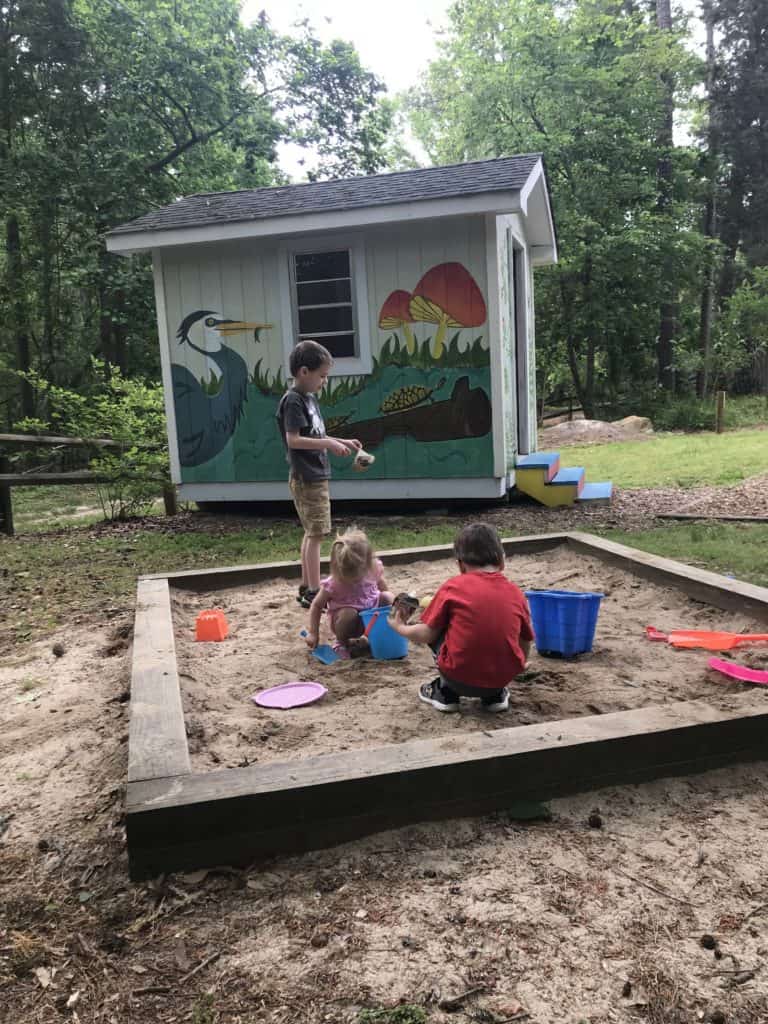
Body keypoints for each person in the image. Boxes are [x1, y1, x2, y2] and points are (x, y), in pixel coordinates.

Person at [390, 522, 532, 712]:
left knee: (440, 626)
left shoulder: (453, 588)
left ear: (460, 564)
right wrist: (520, 664)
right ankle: (494, 697)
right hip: (501, 678)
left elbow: (426, 634)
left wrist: (400, 627)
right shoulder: (516, 593)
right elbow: (525, 639)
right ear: (502, 561)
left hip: (458, 678)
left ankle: (446, 693)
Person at [276, 340, 361, 608]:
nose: (324, 381)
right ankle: (314, 590)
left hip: (315, 474)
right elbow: (294, 440)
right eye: (321, 376)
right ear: (304, 372)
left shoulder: (309, 399)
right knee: (317, 534)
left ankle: (305, 586)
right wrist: (328, 444)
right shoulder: (293, 401)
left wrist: (342, 441)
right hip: (307, 476)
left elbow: (316, 435)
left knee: (311, 532)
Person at [305, 528, 394, 656]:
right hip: (348, 625)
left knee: (388, 597)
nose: (355, 581)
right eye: (349, 577)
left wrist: (391, 604)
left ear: (367, 563)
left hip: (372, 618)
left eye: (358, 576)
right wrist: (313, 633)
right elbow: (317, 605)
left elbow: (383, 586)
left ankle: (387, 633)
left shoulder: (373, 568)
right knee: (349, 614)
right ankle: (343, 644)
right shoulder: (333, 583)